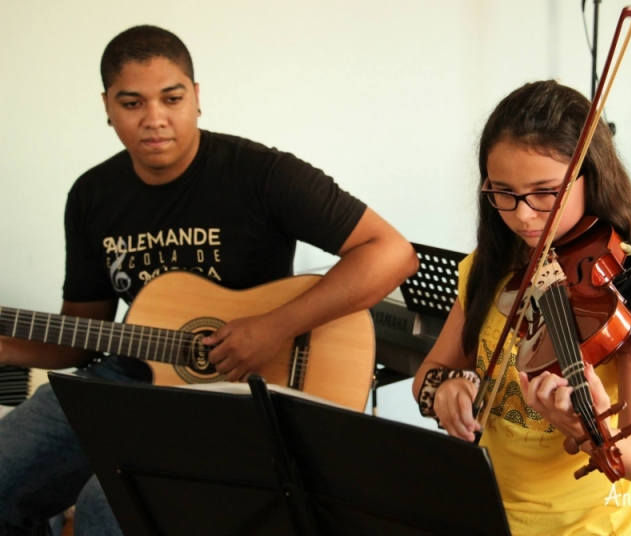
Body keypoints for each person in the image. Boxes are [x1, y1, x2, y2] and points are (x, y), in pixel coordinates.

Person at [0, 25, 418, 535]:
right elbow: (79, 339)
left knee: (108, 507)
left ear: (196, 98)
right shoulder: (92, 195)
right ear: (107, 106)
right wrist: (6, 347)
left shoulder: (262, 174)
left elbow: (391, 254)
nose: (154, 119)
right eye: (132, 103)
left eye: (171, 98)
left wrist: (273, 327)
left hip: (240, 389)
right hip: (130, 377)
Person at [412, 80, 631, 535]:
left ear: (591, 178)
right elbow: (429, 375)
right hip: (483, 511)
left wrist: (591, 430)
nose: (523, 215)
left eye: (546, 192)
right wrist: (443, 391)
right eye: (502, 192)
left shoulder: (630, 291)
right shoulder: (486, 271)